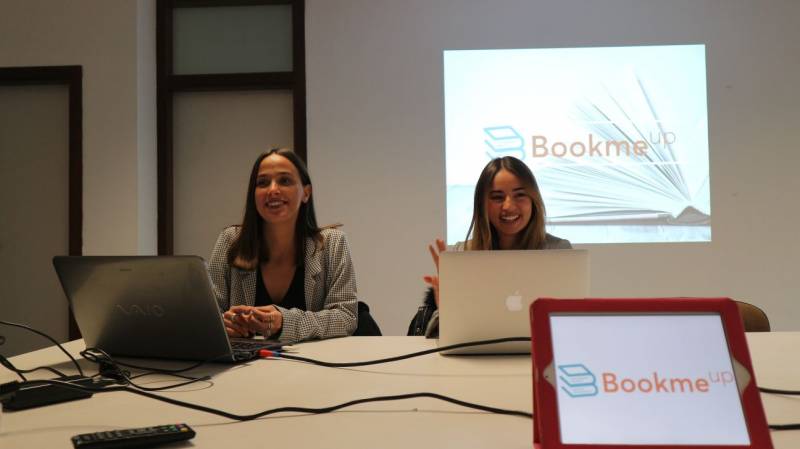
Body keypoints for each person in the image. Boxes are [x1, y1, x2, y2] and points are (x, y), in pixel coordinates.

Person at [409, 156, 571, 337]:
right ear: (482, 204)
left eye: (520, 195)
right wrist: (445, 309)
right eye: (497, 197)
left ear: (533, 200)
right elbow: (440, 337)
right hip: (475, 360)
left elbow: (570, 327)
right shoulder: (462, 255)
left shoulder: (558, 251)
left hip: (538, 358)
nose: (508, 206)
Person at [209, 148, 358, 343]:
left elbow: (346, 317)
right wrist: (223, 324)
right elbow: (208, 316)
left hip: (315, 368)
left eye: (284, 181)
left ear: (306, 193)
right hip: (245, 367)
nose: (272, 190)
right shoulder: (230, 241)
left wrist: (285, 322)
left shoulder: (332, 244)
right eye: (262, 183)